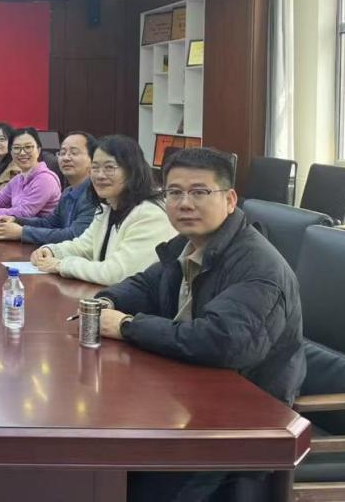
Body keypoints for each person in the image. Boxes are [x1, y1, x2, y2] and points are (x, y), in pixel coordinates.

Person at [97, 147, 304, 501]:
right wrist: (106, 301)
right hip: (191, 399)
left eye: (199, 192)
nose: (185, 204)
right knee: (106, 455)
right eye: (174, 192)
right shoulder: (189, 243)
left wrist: (128, 326)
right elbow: (146, 284)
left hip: (244, 424)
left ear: (230, 199)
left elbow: (224, 342)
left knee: (133, 484)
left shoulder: (258, 266)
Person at [29, 135, 175, 286]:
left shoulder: (150, 215)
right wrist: (52, 251)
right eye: (95, 167)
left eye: (109, 167)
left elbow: (117, 273)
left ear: (131, 171)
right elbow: (84, 246)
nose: (100, 175)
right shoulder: (108, 207)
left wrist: (61, 265)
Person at [0, 131, 97, 244]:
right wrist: (17, 220)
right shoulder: (68, 191)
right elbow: (51, 223)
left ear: (93, 159)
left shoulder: (94, 195)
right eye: (62, 153)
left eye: (74, 153)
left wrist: (22, 232)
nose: (66, 158)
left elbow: (74, 236)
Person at [0, 127, 61, 220]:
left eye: (28, 147)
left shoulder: (45, 179)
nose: (22, 153)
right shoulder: (18, 179)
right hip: (16, 229)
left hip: (39, 231)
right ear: (11, 153)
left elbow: (24, 213)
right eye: (17, 148)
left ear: (38, 150)